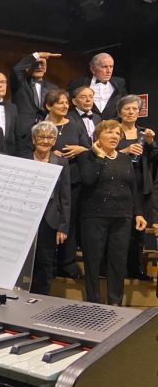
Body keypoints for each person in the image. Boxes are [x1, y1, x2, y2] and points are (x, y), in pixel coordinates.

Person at [77, 120, 147, 306]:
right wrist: (100, 157)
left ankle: (115, 302)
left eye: (117, 133)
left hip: (122, 216)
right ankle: (94, 302)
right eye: (109, 132)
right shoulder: (87, 156)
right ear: (97, 137)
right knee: (93, 260)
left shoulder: (125, 159)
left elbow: (133, 188)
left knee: (118, 260)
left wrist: (138, 213)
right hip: (94, 215)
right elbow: (88, 179)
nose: (114, 136)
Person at [42, 89, 91, 279]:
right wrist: (50, 153)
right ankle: (51, 265)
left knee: (69, 222)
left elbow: (89, 148)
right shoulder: (42, 126)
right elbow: (33, 148)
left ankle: (68, 264)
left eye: (65, 102)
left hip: (74, 179)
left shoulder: (75, 125)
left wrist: (80, 149)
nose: (64, 106)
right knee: (51, 221)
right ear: (49, 106)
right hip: (51, 182)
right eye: (59, 103)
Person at [116, 94, 157, 280]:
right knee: (120, 229)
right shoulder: (113, 130)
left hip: (141, 186)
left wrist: (150, 143)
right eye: (127, 109)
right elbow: (104, 154)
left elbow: (155, 158)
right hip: (119, 185)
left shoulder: (144, 133)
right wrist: (124, 151)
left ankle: (136, 269)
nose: (131, 112)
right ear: (120, 112)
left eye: (135, 109)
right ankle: (118, 269)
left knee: (138, 229)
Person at [28, 121, 71, 296]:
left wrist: (63, 227)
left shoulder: (61, 162)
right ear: (33, 139)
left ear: (54, 141)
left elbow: (65, 197)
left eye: (49, 137)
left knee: (45, 263)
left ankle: (40, 299)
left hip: (50, 220)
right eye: (41, 137)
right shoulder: (23, 159)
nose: (45, 141)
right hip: (26, 219)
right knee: (24, 263)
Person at [11, 51, 61, 155]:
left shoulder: (53, 88)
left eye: (42, 64)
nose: (39, 67)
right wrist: (36, 55)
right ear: (27, 67)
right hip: (23, 135)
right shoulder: (20, 83)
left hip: (46, 135)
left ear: (46, 68)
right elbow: (16, 69)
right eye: (35, 64)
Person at [68, 53, 127, 120]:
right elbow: (68, 104)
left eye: (111, 67)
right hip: (86, 123)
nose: (109, 71)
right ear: (93, 69)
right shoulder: (78, 83)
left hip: (113, 124)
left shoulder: (119, 83)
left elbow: (125, 104)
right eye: (104, 67)